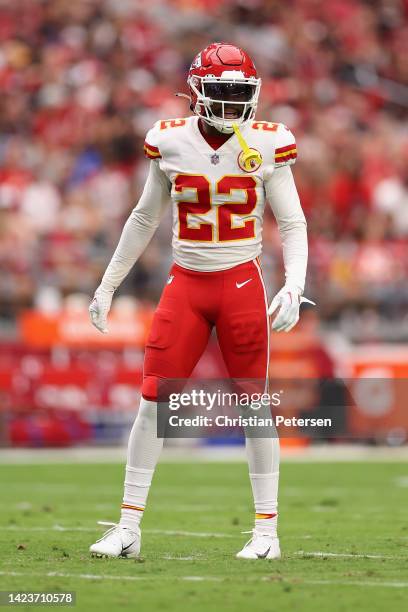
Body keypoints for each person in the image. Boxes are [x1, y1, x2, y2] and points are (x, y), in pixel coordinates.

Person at [88, 42, 309, 560]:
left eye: (241, 93)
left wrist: (295, 284)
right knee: (152, 400)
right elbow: (144, 218)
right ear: (196, 93)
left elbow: (293, 222)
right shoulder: (170, 141)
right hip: (186, 281)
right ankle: (128, 528)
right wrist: (107, 284)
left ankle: (267, 534)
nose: (232, 105)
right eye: (221, 92)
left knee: (255, 406)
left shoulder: (268, 142)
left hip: (239, 282)